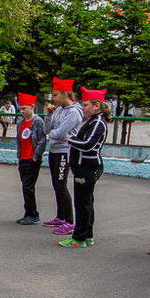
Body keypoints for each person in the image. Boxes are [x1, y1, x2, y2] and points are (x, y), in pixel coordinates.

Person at [59, 88, 111, 247]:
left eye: (86, 105)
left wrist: (70, 140)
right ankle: (87, 235)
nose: (83, 108)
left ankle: (79, 238)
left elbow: (88, 144)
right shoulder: (93, 121)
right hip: (83, 167)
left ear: (97, 106)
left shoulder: (97, 123)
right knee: (86, 201)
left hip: (87, 167)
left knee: (82, 203)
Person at [43, 77, 83, 235]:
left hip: (64, 152)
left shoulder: (74, 112)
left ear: (65, 94)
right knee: (56, 185)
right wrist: (48, 115)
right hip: (53, 151)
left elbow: (60, 134)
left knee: (61, 185)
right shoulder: (58, 110)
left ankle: (70, 221)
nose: (53, 99)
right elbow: (47, 130)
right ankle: (60, 216)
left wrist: (53, 134)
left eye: (56, 95)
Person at [15, 92, 46, 224]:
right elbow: (19, 140)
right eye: (20, 109)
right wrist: (19, 156)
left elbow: (42, 140)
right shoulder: (21, 123)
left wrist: (36, 156)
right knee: (25, 187)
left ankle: (32, 214)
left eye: (24, 108)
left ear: (32, 107)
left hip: (32, 158)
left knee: (28, 186)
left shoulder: (37, 122)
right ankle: (28, 212)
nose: (22, 111)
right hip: (23, 158)